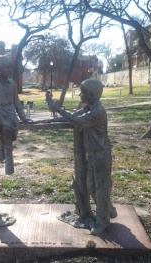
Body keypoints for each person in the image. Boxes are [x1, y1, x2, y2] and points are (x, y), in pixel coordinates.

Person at [46, 78, 117, 234]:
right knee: (92, 187)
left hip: (100, 156)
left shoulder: (97, 111)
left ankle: (102, 222)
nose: (79, 94)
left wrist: (57, 109)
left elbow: (77, 122)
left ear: (90, 95)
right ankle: (108, 208)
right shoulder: (89, 107)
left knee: (100, 189)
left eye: (82, 92)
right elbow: (72, 116)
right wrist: (55, 109)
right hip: (92, 156)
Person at [0, 55, 27, 175]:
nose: (9, 70)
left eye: (10, 67)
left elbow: (16, 101)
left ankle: (9, 158)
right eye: (7, 67)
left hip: (10, 113)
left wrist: (23, 117)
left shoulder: (12, 83)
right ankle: (1, 144)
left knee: (8, 129)